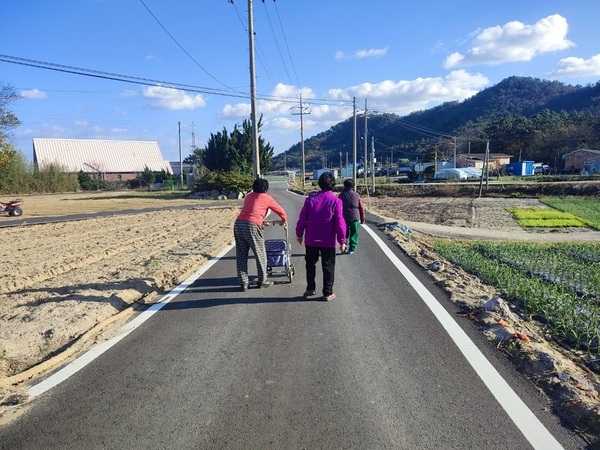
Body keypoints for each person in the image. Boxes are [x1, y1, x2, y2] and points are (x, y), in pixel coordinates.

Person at [295, 172, 346, 301]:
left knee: (310, 263)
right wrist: (342, 241)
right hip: (328, 240)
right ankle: (328, 292)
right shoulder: (336, 201)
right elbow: (340, 222)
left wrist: (299, 234)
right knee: (328, 265)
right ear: (333, 185)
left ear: (319, 184)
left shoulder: (310, 200)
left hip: (311, 238)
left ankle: (310, 288)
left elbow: (302, 219)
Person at [234, 178, 287, 291]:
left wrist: (260, 222)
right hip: (252, 225)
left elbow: (252, 211)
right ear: (266, 189)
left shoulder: (248, 196)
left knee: (241, 255)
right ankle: (262, 280)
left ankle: (243, 283)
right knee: (260, 253)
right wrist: (283, 220)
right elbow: (281, 211)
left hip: (238, 224)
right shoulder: (267, 198)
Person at [338, 179, 366, 254]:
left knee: (344, 233)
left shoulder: (341, 195)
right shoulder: (357, 195)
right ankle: (352, 248)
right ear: (353, 186)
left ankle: (344, 246)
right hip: (355, 216)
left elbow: (337, 207)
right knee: (354, 233)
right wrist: (362, 218)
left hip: (344, 217)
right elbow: (361, 207)